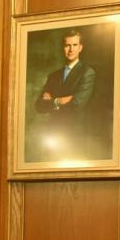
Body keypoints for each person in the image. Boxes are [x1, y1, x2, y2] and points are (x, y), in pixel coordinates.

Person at [32, 29, 96, 158]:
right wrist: (59, 101)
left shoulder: (87, 72)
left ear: (80, 47)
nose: (71, 49)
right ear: (63, 48)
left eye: (74, 45)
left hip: (74, 136)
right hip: (53, 136)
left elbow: (77, 103)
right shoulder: (54, 76)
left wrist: (51, 101)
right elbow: (39, 105)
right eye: (67, 45)